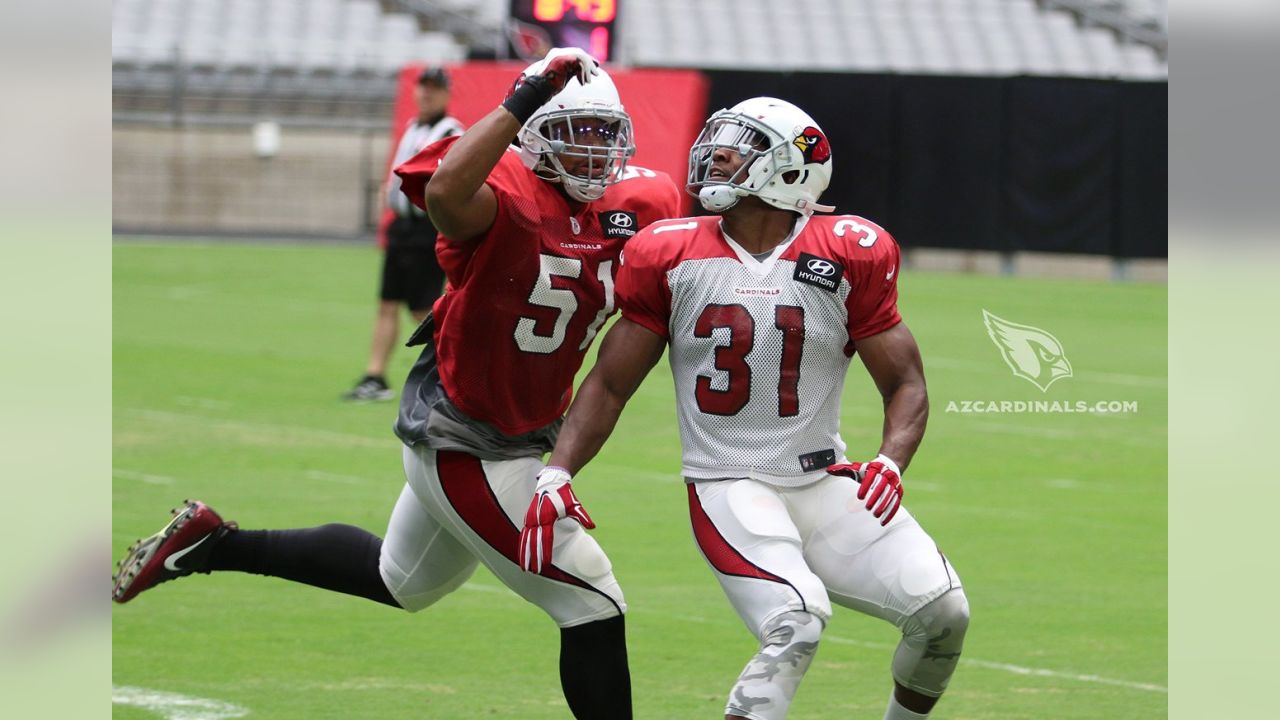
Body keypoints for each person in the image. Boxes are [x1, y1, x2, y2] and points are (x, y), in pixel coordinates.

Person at [112, 48, 682, 720]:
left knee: (404, 581)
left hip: (522, 428)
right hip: (468, 436)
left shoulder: (644, 199)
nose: (592, 153)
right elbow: (443, 193)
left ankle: (212, 543)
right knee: (593, 600)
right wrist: (524, 96)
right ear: (530, 136)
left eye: (603, 134)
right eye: (573, 133)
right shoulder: (500, 193)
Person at [521, 97, 970, 720]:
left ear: (789, 168)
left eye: (741, 143)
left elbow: (906, 383)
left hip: (822, 482)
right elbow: (609, 383)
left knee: (945, 615)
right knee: (797, 619)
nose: (716, 153)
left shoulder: (849, 250)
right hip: (730, 482)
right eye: (719, 139)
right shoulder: (669, 252)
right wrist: (559, 470)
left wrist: (891, 462)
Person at [344, 66, 464, 401]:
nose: (425, 94)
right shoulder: (413, 127)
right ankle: (375, 375)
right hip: (401, 226)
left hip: (426, 227)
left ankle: (456, 373)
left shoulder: (451, 130)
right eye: (422, 87)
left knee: (421, 308)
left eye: (433, 89)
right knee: (387, 302)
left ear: (446, 93)